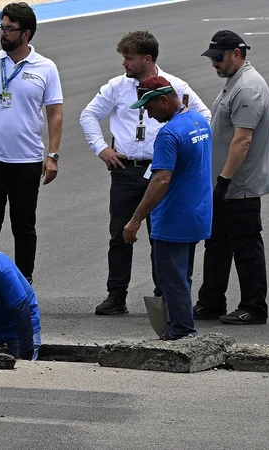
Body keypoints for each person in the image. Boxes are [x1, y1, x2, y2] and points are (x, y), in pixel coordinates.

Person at [79, 30, 212, 316]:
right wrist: (102, 149)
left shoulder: (174, 86)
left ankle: (164, 294)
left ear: (147, 59)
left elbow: (205, 117)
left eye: (129, 58)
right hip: (126, 169)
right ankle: (116, 295)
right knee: (119, 233)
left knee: (160, 235)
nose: (124, 63)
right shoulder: (116, 87)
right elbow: (88, 114)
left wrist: (183, 151)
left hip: (162, 168)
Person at [0, 2, 63, 285]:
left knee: (24, 226)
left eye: (8, 29)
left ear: (26, 34)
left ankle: (23, 283)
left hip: (27, 160)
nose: (2, 34)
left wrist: (52, 154)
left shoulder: (45, 68)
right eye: (0, 28)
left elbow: (55, 112)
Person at [123, 76, 213, 340]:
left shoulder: (169, 133)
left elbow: (161, 178)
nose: (149, 115)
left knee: (171, 279)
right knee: (182, 277)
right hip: (196, 213)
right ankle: (181, 328)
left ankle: (181, 333)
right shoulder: (199, 122)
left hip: (173, 217)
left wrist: (136, 219)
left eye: (149, 108)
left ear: (164, 100)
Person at [194, 30, 269, 325]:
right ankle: (211, 301)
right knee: (217, 244)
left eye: (218, 57)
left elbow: (243, 140)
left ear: (236, 54)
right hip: (223, 182)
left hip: (239, 184)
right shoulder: (234, 82)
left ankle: (254, 307)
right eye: (212, 58)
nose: (214, 63)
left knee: (245, 244)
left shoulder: (248, 88)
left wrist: (224, 180)